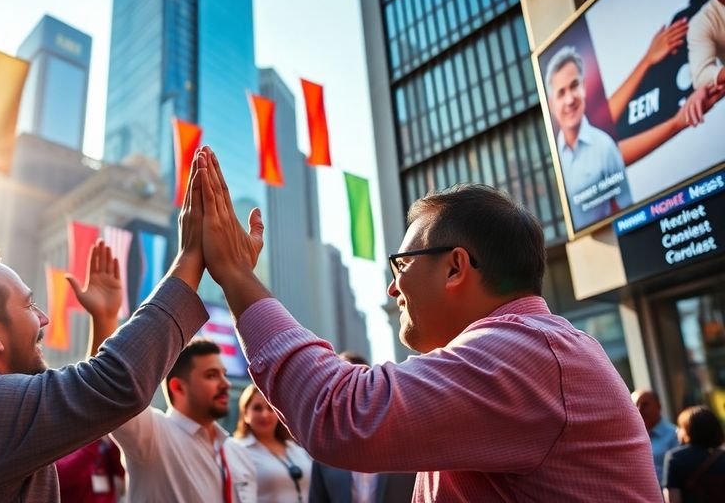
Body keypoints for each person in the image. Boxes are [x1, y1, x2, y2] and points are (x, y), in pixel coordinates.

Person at [191, 147, 662, 501]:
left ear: (455, 267)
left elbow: (338, 413)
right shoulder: (525, 350)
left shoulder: (526, 353)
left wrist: (234, 275)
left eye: (399, 266)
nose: (392, 291)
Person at [0, 158, 209, 502]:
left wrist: (104, 319)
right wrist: (193, 256)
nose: (44, 319)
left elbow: (88, 406)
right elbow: (114, 384)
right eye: (28, 305)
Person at [111, 339, 257, 502]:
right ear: (178, 387)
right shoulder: (153, 434)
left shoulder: (240, 454)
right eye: (211, 375)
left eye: (224, 374)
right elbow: (107, 386)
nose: (226, 384)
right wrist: (105, 319)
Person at [307, 353, 416, 503]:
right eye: (342, 385)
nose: (350, 394)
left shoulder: (406, 445)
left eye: (356, 384)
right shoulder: (324, 452)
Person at [545, 45, 634, 228]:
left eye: (574, 86)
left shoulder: (605, 146)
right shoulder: (554, 159)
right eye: (561, 93)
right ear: (552, 104)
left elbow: (627, 208)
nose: (570, 100)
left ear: (584, 87)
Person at [232, 384, 311, 503]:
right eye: (257, 408)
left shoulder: (297, 449)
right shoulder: (237, 450)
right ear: (245, 414)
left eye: (271, 409)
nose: (265, 415)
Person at [663, 405, 725, 502]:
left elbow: (673, 499)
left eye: (680, 427)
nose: (677, 430)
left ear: (688, 430)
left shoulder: (676, 457)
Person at [54, 436, 125, 503]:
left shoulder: (103, 447)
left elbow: (122, 472)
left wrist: (114, 441)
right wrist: (93, 438)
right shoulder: (60, 447)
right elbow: (62, 476)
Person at [633, 389, 680, 486]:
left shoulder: (675, 435)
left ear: (659, 406)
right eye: (635, 406)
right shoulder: (631, 438)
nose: (639, 409)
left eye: (645, 405)